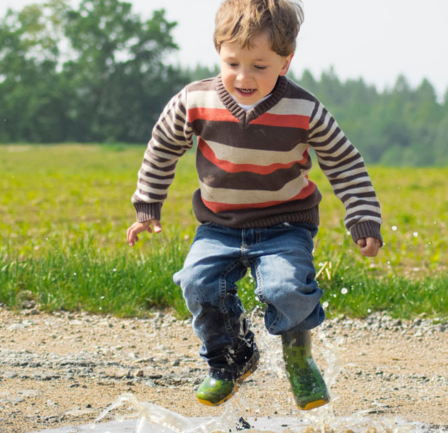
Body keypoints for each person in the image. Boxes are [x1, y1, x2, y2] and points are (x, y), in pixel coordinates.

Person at [126, 0, 382, 410]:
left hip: (285, 226)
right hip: (219, 225)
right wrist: (147, 206)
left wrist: (363, 218)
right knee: (197, 283)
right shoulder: (195, 101)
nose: (243, 77)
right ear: (218, 52)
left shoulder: (304, 110)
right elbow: (161, 150)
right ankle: (232, 359)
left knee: (284, 287)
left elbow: (344, 162)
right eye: (233, 64)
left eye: (259, 66)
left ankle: (298, 359)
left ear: (286, 62)